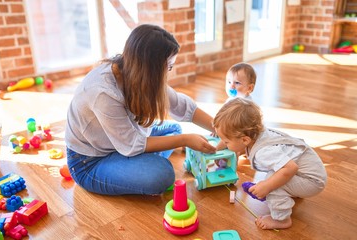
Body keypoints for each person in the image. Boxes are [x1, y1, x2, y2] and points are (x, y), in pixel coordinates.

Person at [65, 24, 216, 196]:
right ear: (151, 68)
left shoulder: (134, 71)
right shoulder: (103, 92)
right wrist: (185, 140)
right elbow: (131, 145)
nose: (169, 72)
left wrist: (219, 128)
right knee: (162, 175)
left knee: (174, 129)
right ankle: (141, 162)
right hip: (90, 161)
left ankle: (140, 161)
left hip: (122, 141)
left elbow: (181, 105)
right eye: (168, 67)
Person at [213, 98, 327, 230]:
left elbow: (291, 168)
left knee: (272, 182)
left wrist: (267, 186)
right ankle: (291, 191)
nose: (224, 144)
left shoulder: (263, 152)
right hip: (309, 172)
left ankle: (281, 219)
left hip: (312, 181)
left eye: (226, 142)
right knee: (274, 177)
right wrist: (218, 149)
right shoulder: (257, 135)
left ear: (245, 140)